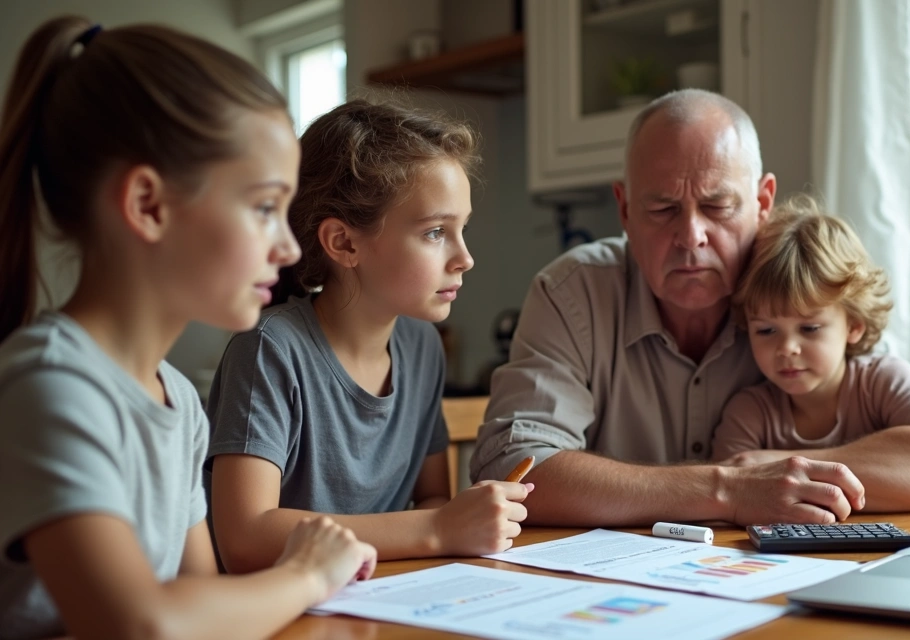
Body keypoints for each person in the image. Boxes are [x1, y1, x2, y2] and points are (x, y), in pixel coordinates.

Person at [0, 17, 376, 639]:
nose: (287, 248)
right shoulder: (52, 389)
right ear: (148, 205)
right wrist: (308, 574)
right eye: (263, 208)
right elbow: (143, 625)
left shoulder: (178, 402)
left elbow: (198, 606)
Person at [471, 89, 871, 527]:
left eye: (717, 206)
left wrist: (781, 473)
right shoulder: (572, 293)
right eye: (663, 209)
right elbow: (511, 467)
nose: (691, 236)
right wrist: (729, 489)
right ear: (624, 209)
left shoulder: (800, 282)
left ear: (762, 203)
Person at [205, 98, 531, 574]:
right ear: (344, 243)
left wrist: (449, 518)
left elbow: (432, 496)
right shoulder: (269, 350)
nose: (465, 257)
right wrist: (439, 528)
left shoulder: (421, 346)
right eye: (436, 231)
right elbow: (246, 538)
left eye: (463, 229)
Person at [711, 195, 910, 511]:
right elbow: (727, 501)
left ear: (854, 325)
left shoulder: (882, 381)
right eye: (766, 330)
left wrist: (779, 464)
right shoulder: (750, 413)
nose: (786, 348)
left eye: (809, 329)